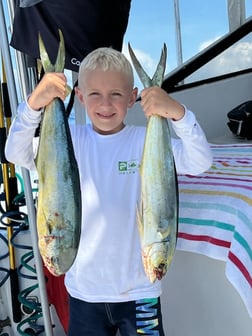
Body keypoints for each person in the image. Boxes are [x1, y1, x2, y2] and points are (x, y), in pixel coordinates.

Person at [5, 47, 212, 335]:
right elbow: (15, 152)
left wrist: (177, 113)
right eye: (94, 94)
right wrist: (33, 105)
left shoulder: (143, 140)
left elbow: (201, 161)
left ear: (132, 98)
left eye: (116, 94)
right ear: (78, 96)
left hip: (141, 293)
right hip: (84, 293)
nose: (105, 103)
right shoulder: (69, 139)